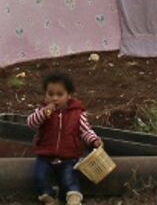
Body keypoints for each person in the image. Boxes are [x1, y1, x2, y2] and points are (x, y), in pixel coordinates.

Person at [26, 71, 103, 205]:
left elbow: (85, 131)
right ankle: (48, 197)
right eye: (50, 94)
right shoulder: (43, 111)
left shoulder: (77, 113)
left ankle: (74, 196)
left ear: (68, 96)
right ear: (45, 95)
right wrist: (44, 113)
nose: (54, 98)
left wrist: (94, 140)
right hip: (45, 155)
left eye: (59, 94)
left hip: (69, 156)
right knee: (40, 177)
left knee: (69, 178)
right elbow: (31, 123)